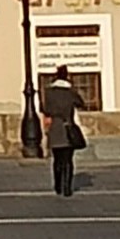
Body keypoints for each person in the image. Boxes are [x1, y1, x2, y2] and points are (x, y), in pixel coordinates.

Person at [42, 66, 85, 196]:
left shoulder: (49, 92)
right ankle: (67, 187)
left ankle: (57, 186)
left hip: (55, 127)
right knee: (68, 160)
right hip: (68, 126)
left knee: (57, 159)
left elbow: (46, 109)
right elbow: (80, 103)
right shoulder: (70, 92)